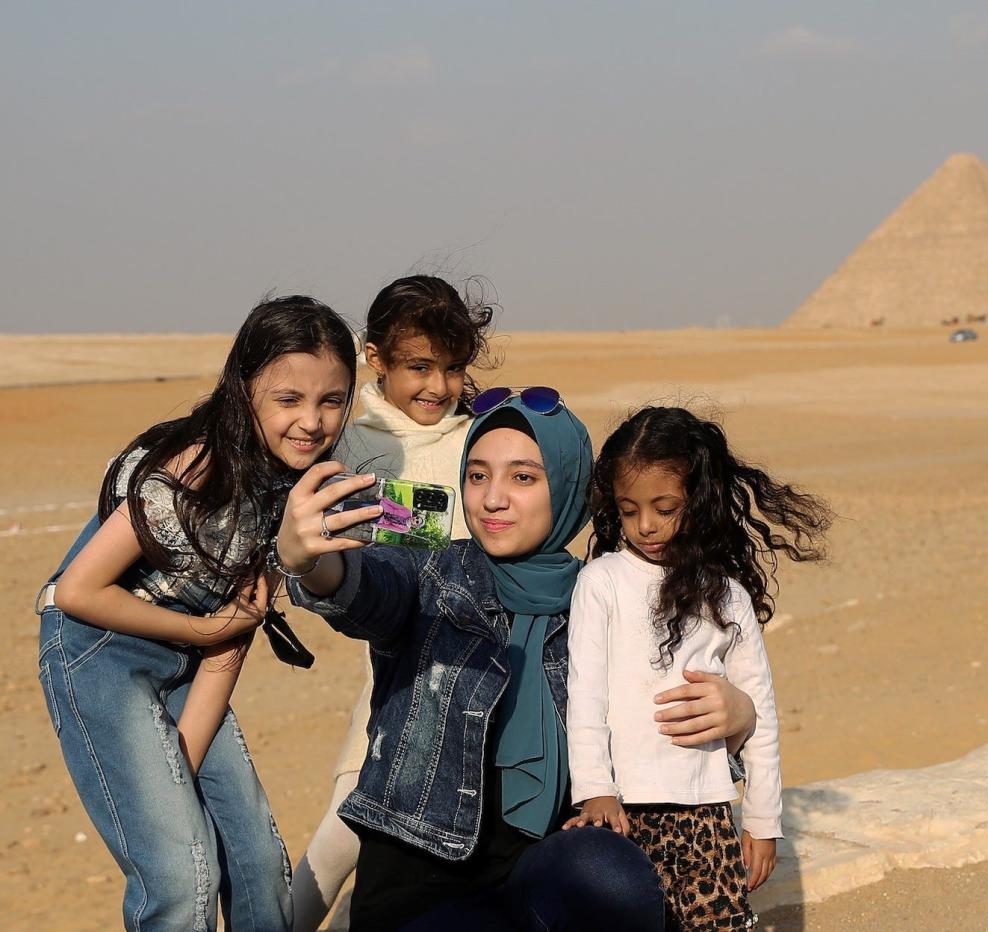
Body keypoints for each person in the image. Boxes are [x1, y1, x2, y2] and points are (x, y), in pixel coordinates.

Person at [273, 390, 758, 930]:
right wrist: (308, 563)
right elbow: (365, 591)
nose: (492, 499)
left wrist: (740, 720)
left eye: (523, 478)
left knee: (613, 878)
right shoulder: (434, 574)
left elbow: (658, 735)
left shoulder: (602, 598)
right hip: (424, 887)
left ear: (570, 486)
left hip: (539, 870)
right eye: (477, 476)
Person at [36, 296, 357, 931]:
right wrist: (202, 629)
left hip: (190, 659)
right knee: (182, 878)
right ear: (244, 391)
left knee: (260, 868)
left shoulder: (294, 489)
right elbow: (75, 591)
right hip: (98, 647)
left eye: (332, 400)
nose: (313, 422)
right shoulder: (193, 469)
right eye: (288, 399)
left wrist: (178, 759)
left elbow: (233, 635)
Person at [564, 406, 832, 929]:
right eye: (629, 509)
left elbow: (762, 711)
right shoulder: (602, 581)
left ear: (700, 500)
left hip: (707, 814)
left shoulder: (726, 594)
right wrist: (596, 789)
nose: (646, 526)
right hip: (621, 815)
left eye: (665, 508)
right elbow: (586, 694)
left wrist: (761, 820)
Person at [291, 275, 494, 930]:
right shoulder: (349, 452)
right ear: (375, 358)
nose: (438, 386)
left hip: (496, 664)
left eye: (454, 367)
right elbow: (351, 572)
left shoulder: (485, 438)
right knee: (353, 816)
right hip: (407, 671)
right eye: (419, 366)